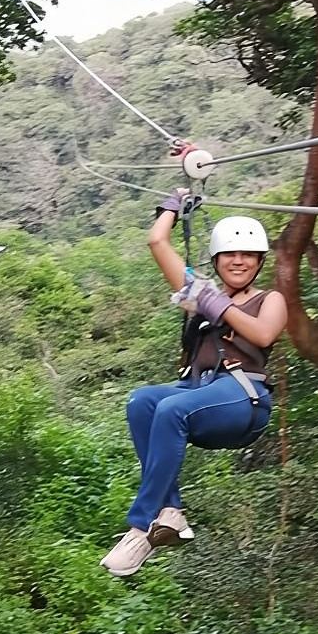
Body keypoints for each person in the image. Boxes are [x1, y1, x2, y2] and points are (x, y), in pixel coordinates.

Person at [99, 190, 288, 577]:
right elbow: (157, 243)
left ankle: (140, 529)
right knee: (142, 402)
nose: (238, 261)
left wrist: (222, 307)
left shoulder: (270, 299)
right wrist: (172, 207)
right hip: (199, 390)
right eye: (230, 255)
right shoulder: (201, 296)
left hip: (242, 397)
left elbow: (264, 335)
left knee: (171, 407)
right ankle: (170, 511)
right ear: (217, 261)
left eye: (248, 255)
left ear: (258, 262)